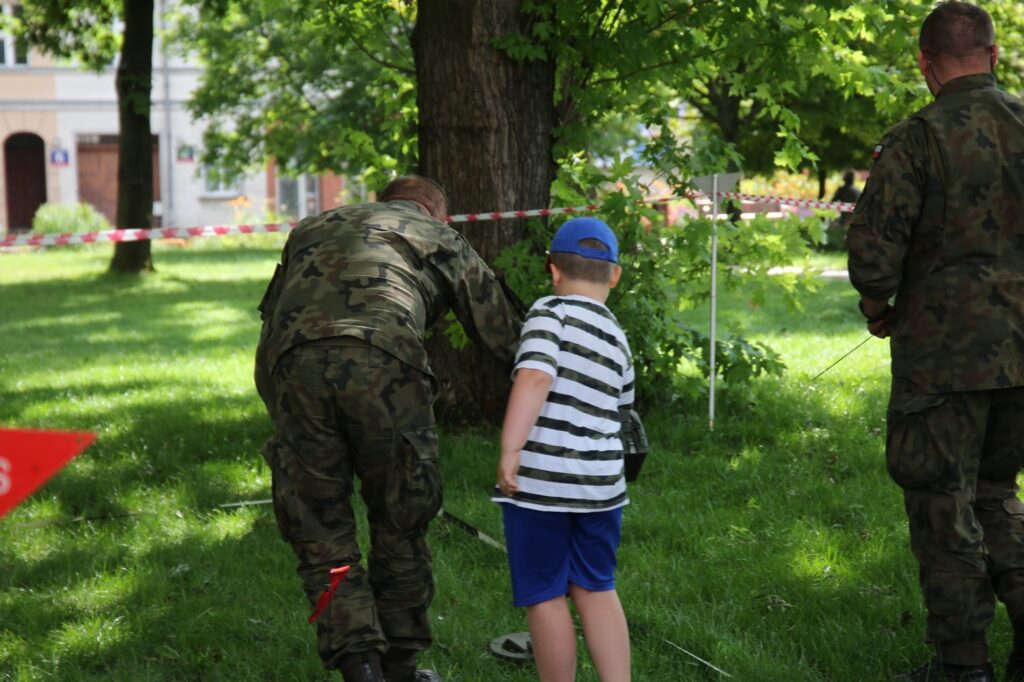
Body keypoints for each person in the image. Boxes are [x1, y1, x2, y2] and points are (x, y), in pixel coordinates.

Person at [254, 175, 523, 682]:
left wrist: (284, 416)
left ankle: (359, 666)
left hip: (295, 370)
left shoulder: (310, 228)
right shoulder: (434, 232)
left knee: (321, 532)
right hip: (387, 364)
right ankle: (400, 667)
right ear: (436, 212)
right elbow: (502, 328)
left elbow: (271, 327)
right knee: (401, 518)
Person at [846, 3, 1024, 680]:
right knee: (997, 493)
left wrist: (877, 306)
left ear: (926, 64)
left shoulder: (916, 141)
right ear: (995, 53)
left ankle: (962, 666)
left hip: (941, 365)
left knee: (943, 506)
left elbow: (874, 257)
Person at [493, 217, 635, 682]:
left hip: (541, 485)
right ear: (614, 275)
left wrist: (511, 449)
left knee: (545, 593)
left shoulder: (548, 312)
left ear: (552, 269)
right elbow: (623, 412)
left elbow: (535, 374)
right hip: (602, 487)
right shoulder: (618, 337)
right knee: (596, 586)